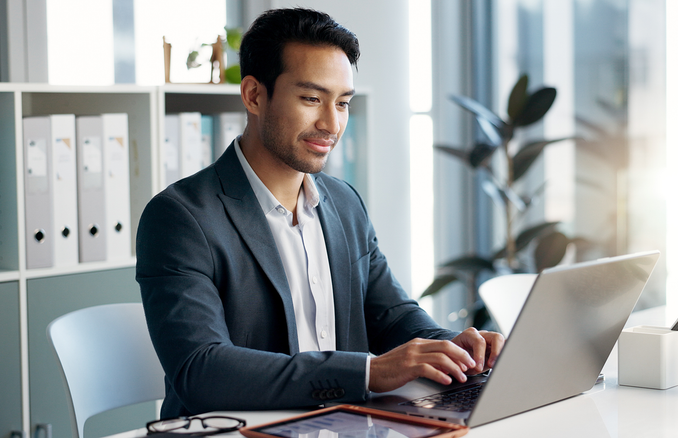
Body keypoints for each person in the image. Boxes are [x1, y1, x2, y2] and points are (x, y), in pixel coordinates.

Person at [136, 7, 504, 418]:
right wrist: (368, 372)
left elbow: (392, 316)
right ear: (254, 95)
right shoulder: (179, 217)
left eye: (342, 103)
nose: (331, 124)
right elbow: (202, 371)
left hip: (341, 424)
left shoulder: (344, 203)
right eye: (312, 99)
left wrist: (457, 347)